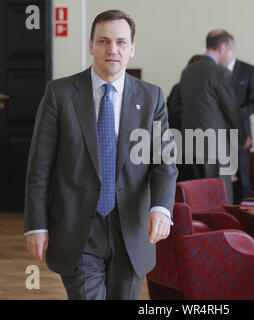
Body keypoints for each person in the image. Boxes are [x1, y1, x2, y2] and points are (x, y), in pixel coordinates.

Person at [24, 10, 178, 300]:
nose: (112, 49)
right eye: (104, 41)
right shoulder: (59, 93)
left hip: (132, 229)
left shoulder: (152, 97)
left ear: (132, 48)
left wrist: (161, 208)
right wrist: (36, 224)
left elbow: (164, 164)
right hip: (76, 227)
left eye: (121, 42)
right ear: (91, 45)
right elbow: (39, 167)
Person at [179, 29, 250, 204]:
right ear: (222, 47)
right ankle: (222, 231)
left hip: (190, 142)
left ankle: (202, 230)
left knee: (198, 197)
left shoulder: (187, 72)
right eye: (230, 48)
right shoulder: (219, 72)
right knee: (221, 196)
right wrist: (242, 137)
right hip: (215, 145)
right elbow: (231, 110)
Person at [225, 37, 254, 203]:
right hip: (216, 135)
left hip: (241, 134)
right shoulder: (213, 70)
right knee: (221, 182)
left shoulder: (248, 70)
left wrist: (235, 113)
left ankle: (243, 221)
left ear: (232, 48)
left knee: (243, 181)